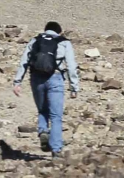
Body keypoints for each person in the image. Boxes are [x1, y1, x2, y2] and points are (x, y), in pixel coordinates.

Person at [12, 21, 81, 155]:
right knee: (56, 116)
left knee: (42, 110)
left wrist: (17, 82)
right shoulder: (64, 42)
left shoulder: (35, 40)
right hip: (55, 78)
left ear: (45, 30)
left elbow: (24, 61)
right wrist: (74, 87)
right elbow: (72, 66)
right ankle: (56, 149)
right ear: (59, 31)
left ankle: (43, 130)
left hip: (36, 79)